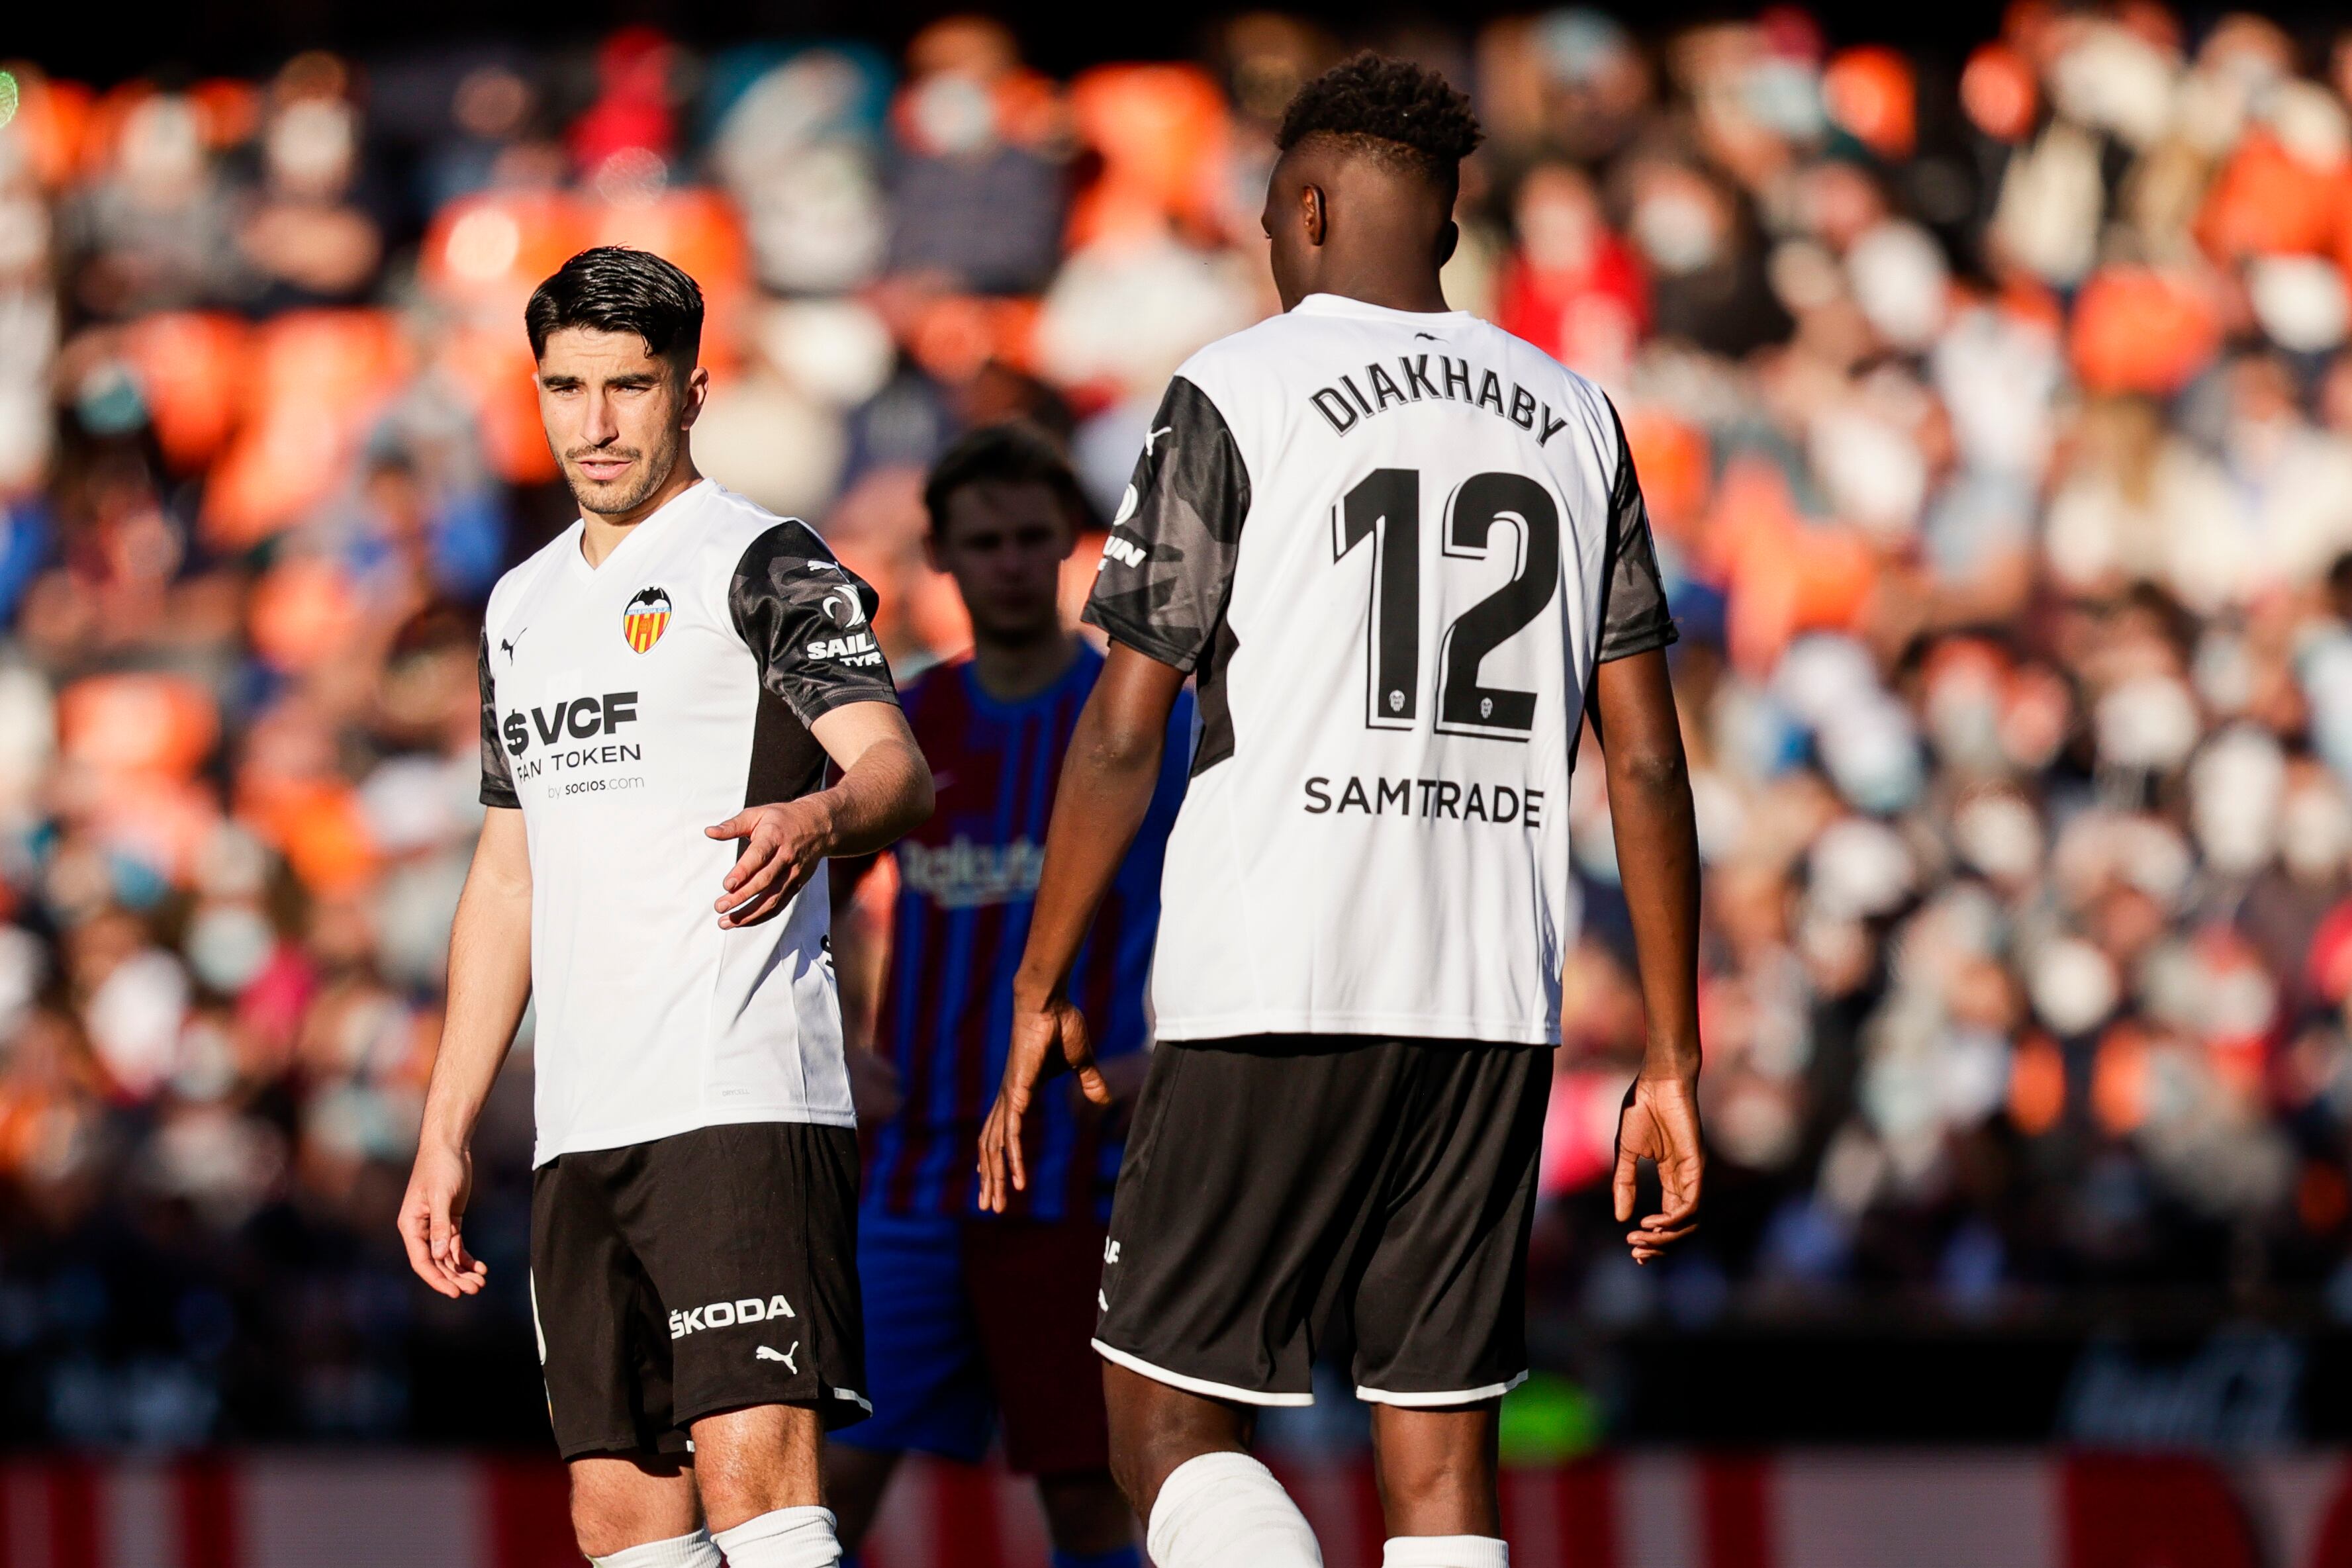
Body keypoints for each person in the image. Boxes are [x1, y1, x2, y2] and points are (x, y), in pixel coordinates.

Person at [977, 55, 1705, 1568]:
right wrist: (1675, 1060)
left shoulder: (1234, 388)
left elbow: (1125, 723)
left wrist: (1041, 978)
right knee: (1438, 1461)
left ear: (1305, 208)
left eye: (1263, 216)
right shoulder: (1579, 417)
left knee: (1162, 1423)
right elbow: (1642, 759)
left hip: (1276, 975)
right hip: (1492, 998)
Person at [397, 246, 932, 1568]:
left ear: (693, 389)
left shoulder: (763, 559)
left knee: (758, 1478)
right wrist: (446, 1128)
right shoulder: (518, 606)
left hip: (739, 1092)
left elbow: (895, 768)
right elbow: (508, 875)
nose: (595, 422)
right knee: (622, 1519)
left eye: (628, 387)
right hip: (583, 1121)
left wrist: (817, 816)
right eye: (565, 387)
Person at [825, 424, 1190, 1568]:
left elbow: (1241, 903)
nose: (1012, 563)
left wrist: (1166, 1058)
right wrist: (838, 1041)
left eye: (1035, 537)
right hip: (918, 1171)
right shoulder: (909, 728)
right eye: (984, 541)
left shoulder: (1145, 726)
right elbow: (804, 893)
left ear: (1071, 548)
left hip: (1081, 1176)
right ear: (941, 555)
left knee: (1088, 1500)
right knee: (823, 1490)